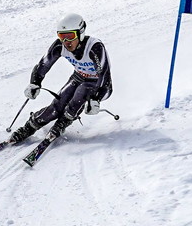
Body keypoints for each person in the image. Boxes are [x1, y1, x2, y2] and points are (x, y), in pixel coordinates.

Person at [8, 12, 113, 144]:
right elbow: (44, 65)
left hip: (99, 85)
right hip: (78, 77)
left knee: (79, 97)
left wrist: (96, 98)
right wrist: (35, 83)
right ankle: (29, 127)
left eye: (70, 36)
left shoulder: (94, 47)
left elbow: (105, 76)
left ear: (80, 33)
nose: (66, 42)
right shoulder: (59, 46)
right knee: (56, 106)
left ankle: (62, 124)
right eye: (62, 36)